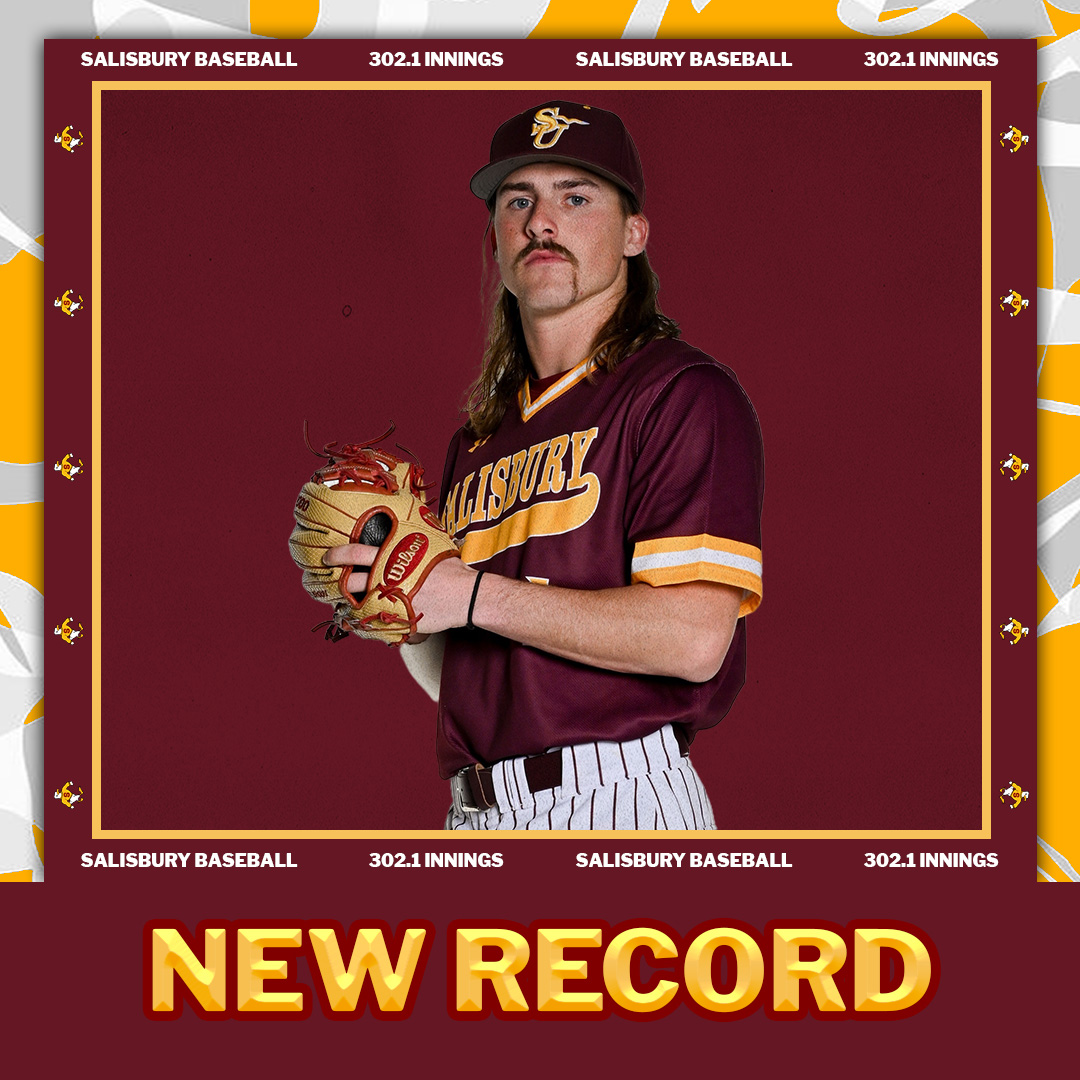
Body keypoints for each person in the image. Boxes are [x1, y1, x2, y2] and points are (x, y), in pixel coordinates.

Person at [324, 101, 763, 831]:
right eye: (518, 200)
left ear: (633, 233)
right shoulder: (481, 439)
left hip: (615, 797)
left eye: (576, 196)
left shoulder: (681, 394)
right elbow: (467, 680)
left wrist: (465, 595)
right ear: (497, 237)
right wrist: (398, 604)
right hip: (477, 811)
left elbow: (693, 640)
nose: (541, 221)